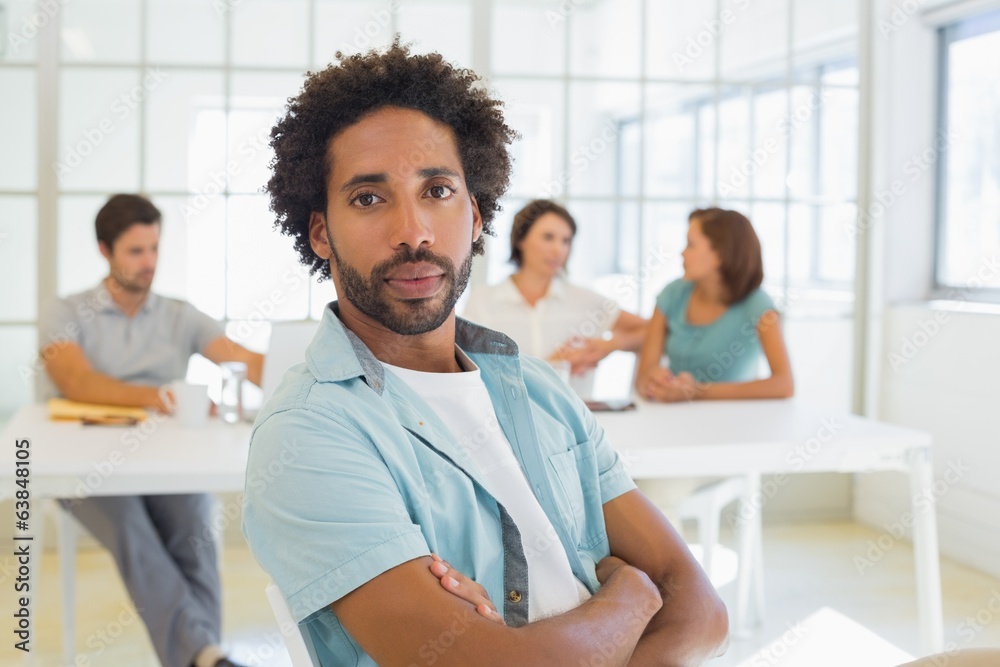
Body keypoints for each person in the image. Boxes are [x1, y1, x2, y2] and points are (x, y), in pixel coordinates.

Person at [242, 42, 728, 666]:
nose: (413, 232)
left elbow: (704, 610)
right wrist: (632, 596)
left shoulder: (537, 387)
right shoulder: (309, 435)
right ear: (319, 232)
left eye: (437, 191)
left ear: (474, 214)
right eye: (368, 198)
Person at [39, 194, 263, 667]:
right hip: (85, 465)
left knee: (195, 527)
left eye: (155, 249)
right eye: (136, 251)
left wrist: (308, 364)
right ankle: (204, 655)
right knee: (132, 529)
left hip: (164, 461)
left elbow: (241, 359)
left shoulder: (180, 314)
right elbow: (75, 381)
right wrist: (160, 398)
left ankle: (204, 656)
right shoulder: (65, 312)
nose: (149, 263)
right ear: (105, 250)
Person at [462, 199, 648, 399]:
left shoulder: (585, 300)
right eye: (548, 237)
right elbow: (468, 374)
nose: (558, 249)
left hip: (574, 426)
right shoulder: (483, 301)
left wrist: (607, 346)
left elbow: (653, 330)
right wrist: (553, 367)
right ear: (521, 240)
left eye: (566, 240)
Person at [636, 207, 794, 402]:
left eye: (690, 245)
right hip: (672, 419)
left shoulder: (757, 305)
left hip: (734, 422)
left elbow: (784, 384)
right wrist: (656, 381)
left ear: (719, 255)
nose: (682, 253)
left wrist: (696, 392)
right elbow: (643, 376)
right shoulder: (672, 293)